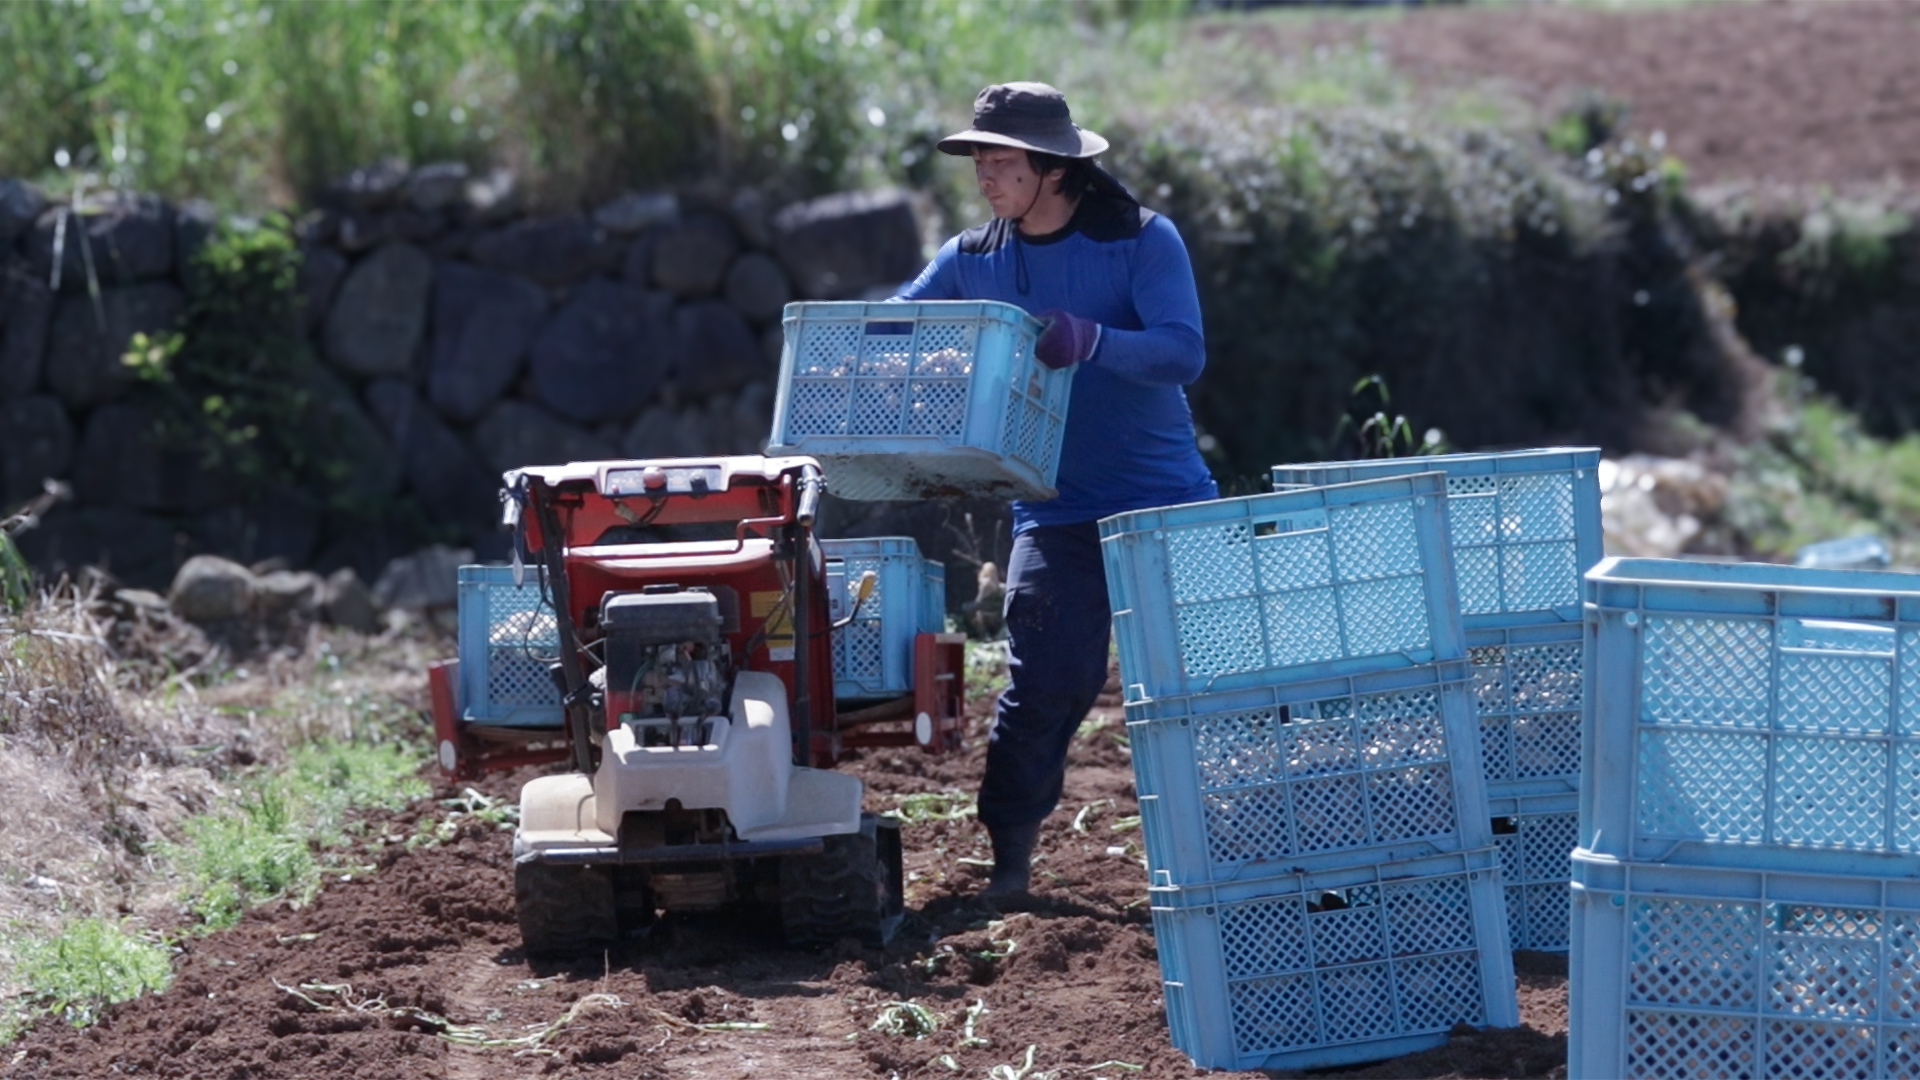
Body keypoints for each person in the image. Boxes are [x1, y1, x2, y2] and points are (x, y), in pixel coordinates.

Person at [895, 82, 1217, 903]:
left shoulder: (1142, 241)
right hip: (1056, 508)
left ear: (1056, 170)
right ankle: (1011, 871)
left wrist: (1096, 339)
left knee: (1200, 692)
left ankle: (1230, 853)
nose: (985, 179)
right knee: (1043, 688)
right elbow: (898, 320)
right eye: (980, 162)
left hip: (1165, 504)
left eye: (1002, 163)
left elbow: (1182, 352)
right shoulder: (975, 259)